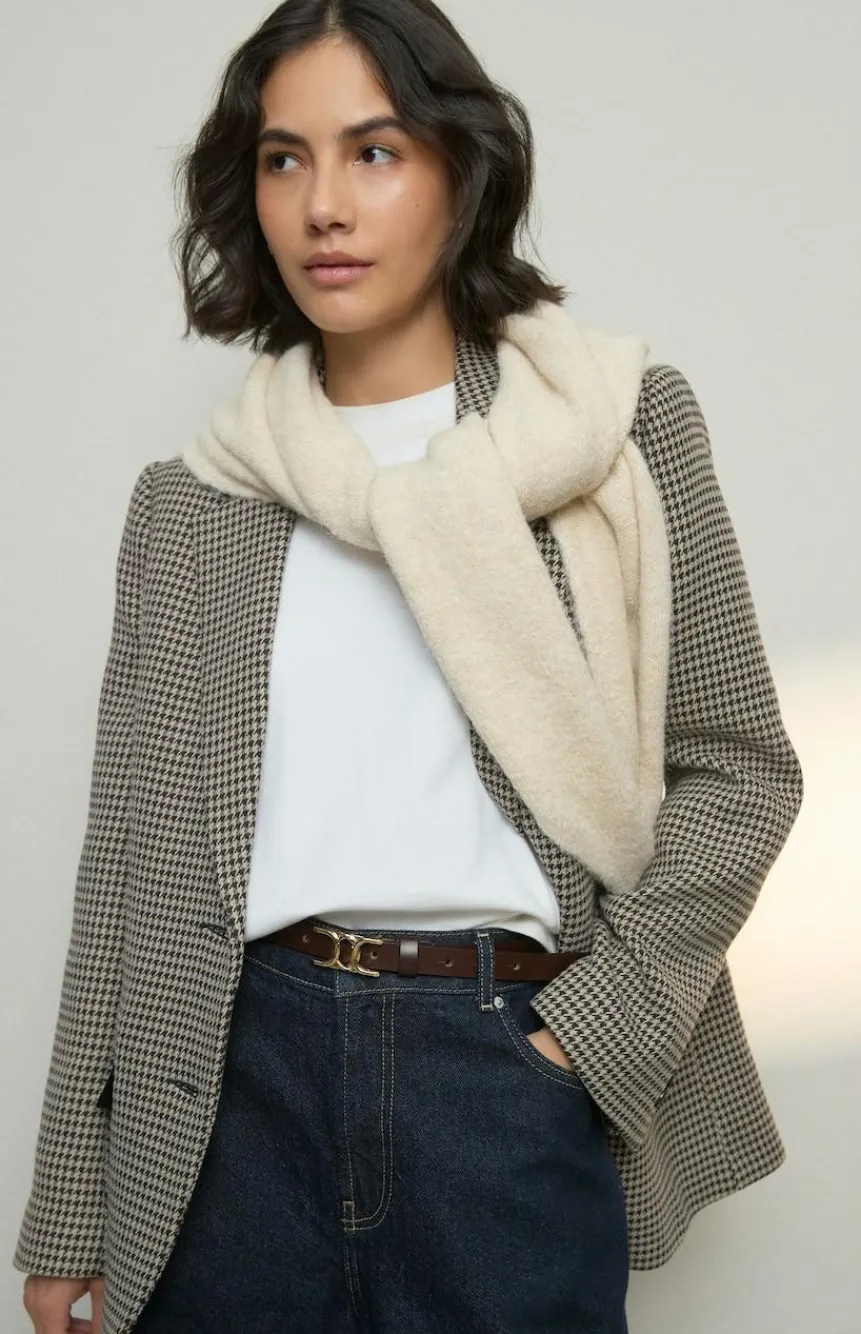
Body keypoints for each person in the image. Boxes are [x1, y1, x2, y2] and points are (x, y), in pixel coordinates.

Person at [15, 1, 804, 1332]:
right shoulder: (195, 501)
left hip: (498, 1075)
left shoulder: (615, 438)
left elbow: (739, 769)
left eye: (374, 151)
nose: (324, 204)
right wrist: (71, 1204)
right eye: (285, 158)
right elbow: (126, 861)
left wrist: (587, 1035)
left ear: (460, 170)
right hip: (228, 1096)